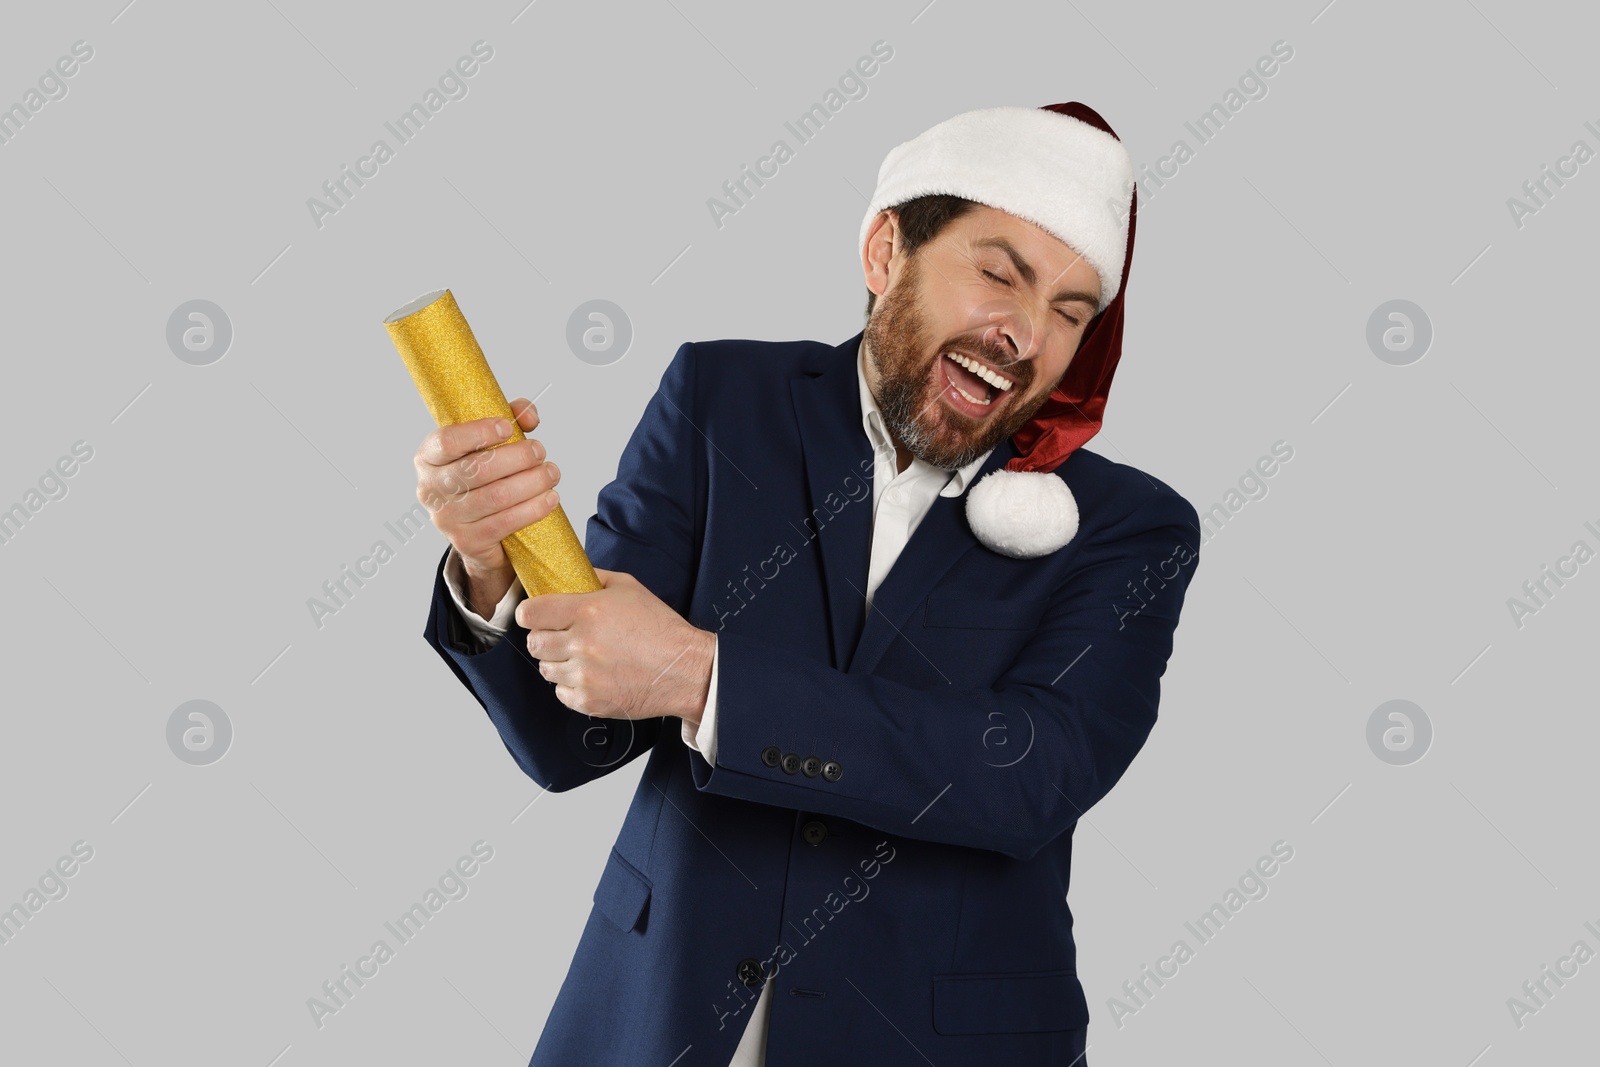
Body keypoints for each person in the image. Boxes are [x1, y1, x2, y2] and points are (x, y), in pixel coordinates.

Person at [412, 101, 1201, 1067]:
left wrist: (703, 679)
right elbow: (573, 739)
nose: (1026, 335)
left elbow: (1028, 775)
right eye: (999, 274)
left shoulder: (1129, 528)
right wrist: (491, 558)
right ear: (884, 252)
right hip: (655, 1022)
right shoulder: (720, 401)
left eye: (1071, 314)